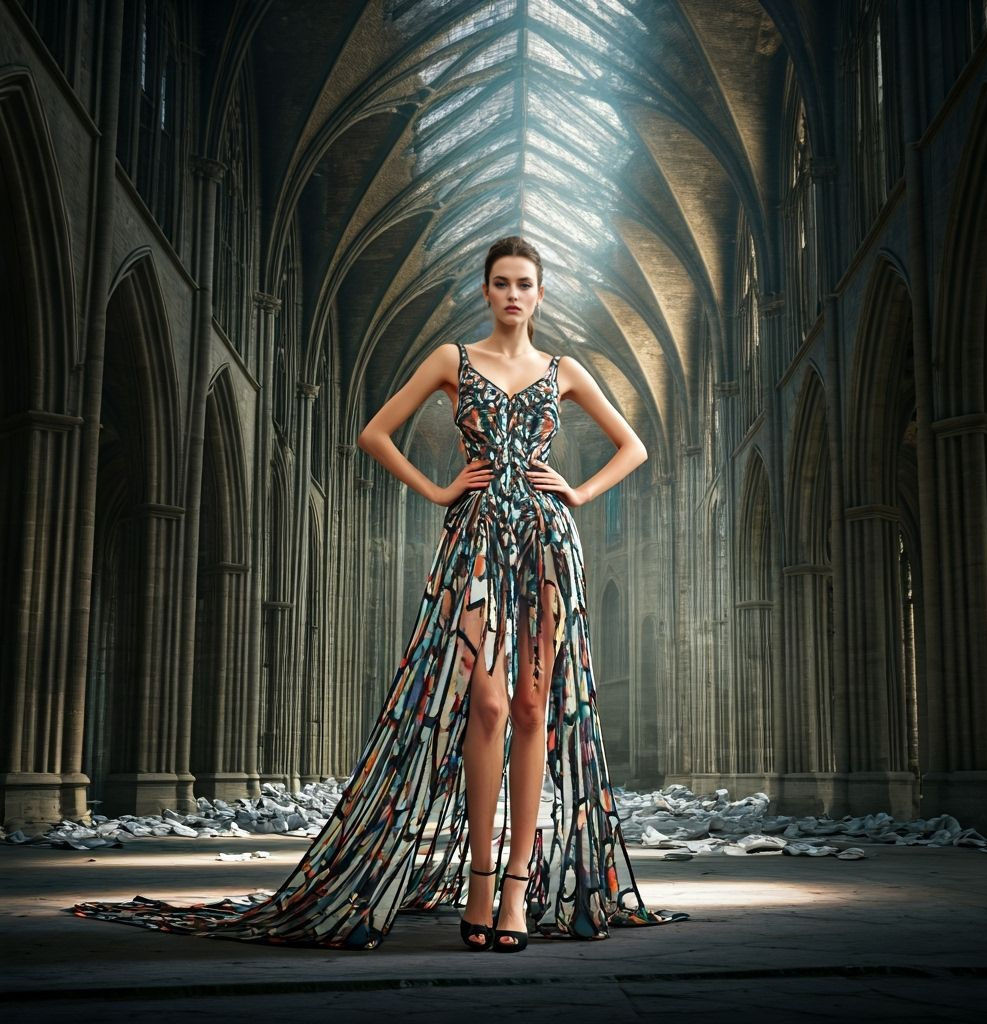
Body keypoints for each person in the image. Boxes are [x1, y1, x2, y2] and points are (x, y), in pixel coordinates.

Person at [67, 235, 688, 952]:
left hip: (547, 547)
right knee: (483, 703)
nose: (514, 294)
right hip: (477, 539)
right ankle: (480, 878)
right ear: (485, 291)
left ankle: (517, 884)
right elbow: (373, 433)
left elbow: (633, 445)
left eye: (525, 283)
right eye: (501, 282)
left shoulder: (564, 369)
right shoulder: (454, 360)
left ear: (541, 293)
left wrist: (576, 492)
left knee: (530, 707)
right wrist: (439, 488)